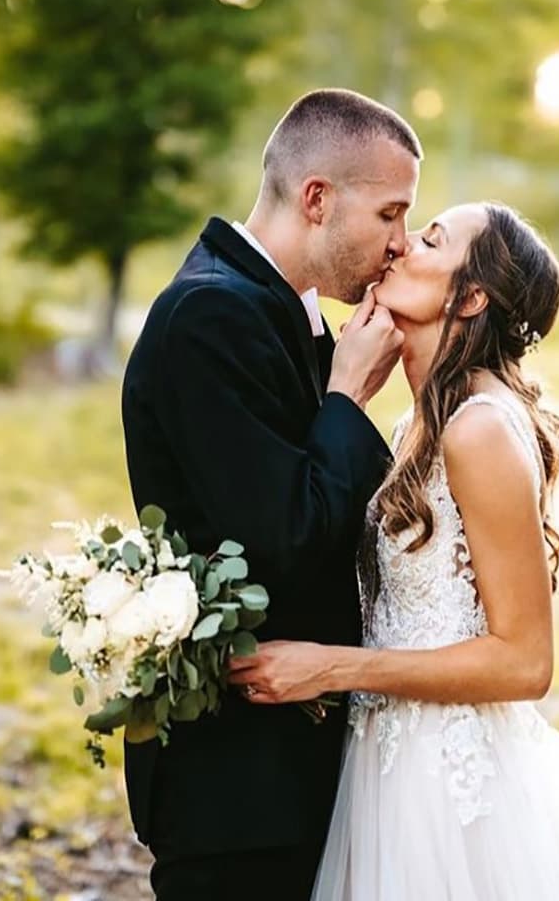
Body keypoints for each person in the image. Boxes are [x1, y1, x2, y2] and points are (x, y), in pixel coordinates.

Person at [229, 202, 559, 900]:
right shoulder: (416, 424)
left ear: (471, 295)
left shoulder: (477, 431)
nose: (400, 246)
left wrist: (330, 668)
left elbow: (526, 659)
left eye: (430, 238)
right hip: (388, 764)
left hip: (453, 791)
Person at [120, 87, 421, 900]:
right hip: (236, 784)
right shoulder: (210, 317)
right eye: (390, 214)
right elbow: (280, 540)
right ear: (317, 199)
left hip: (290, 769)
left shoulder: (281, 310)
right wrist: (347, 399)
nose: (399, 244)